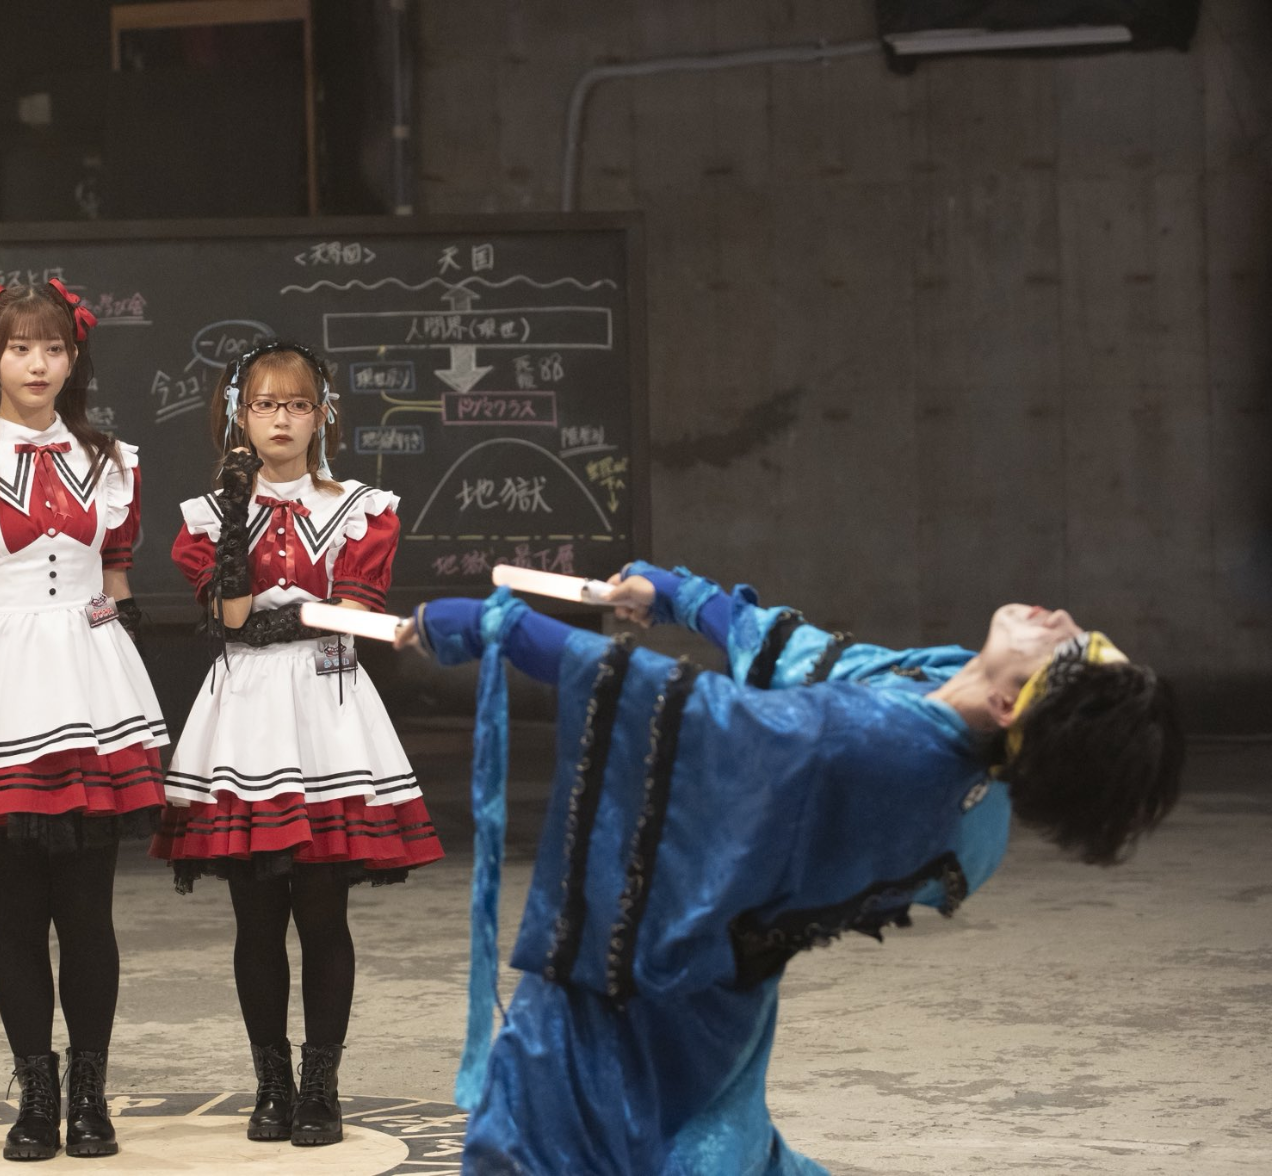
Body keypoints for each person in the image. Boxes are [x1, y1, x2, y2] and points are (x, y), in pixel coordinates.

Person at [405, 575, 1184, 1175]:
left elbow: (701, 718)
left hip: (642, 988)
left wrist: (505, 632)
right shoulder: (954, 726)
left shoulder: (875, 751)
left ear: (1011, 706)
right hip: (721, 994)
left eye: (1068, 648)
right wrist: (680, 597)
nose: (1061, 619)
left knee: (548, 1149)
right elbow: (818, 662)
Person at [151, 340, 443, 1146]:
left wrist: (281, 617)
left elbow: (353, 612)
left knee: (322, 912)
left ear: (323, 415)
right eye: (264, 404)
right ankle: (270, 1084)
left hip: (325, 710)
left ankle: (321, 1086)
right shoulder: (206, 517)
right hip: (244, 714)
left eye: (297, 404)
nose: (281, 419)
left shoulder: (361, 508)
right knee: (254, 918)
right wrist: (237, 513)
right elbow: (229, 616)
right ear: (237, 418)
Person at [0, 279, 166, 1161]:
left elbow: (117, 589)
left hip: (92, 694)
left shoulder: (113, 459)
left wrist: (126, 701)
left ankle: (90, 1096)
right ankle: (35, 1096)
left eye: (53, 348)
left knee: (89, 913)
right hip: (1, 688)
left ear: (73, 357)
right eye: (20, 347)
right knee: (16, 913)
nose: (37, 364)